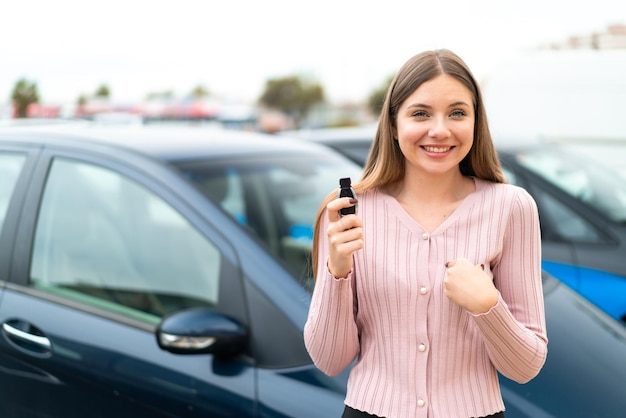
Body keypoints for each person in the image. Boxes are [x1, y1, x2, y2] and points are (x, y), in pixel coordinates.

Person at [303, 49, 548, 418]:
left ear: (476, 122)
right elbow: (329, 360)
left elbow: (526, 367)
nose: (440, 130)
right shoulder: (347, 210)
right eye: (420, 113)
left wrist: (487, 306)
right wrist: (337, 272)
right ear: (392, 123)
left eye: (457, 113)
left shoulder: (512, 207)